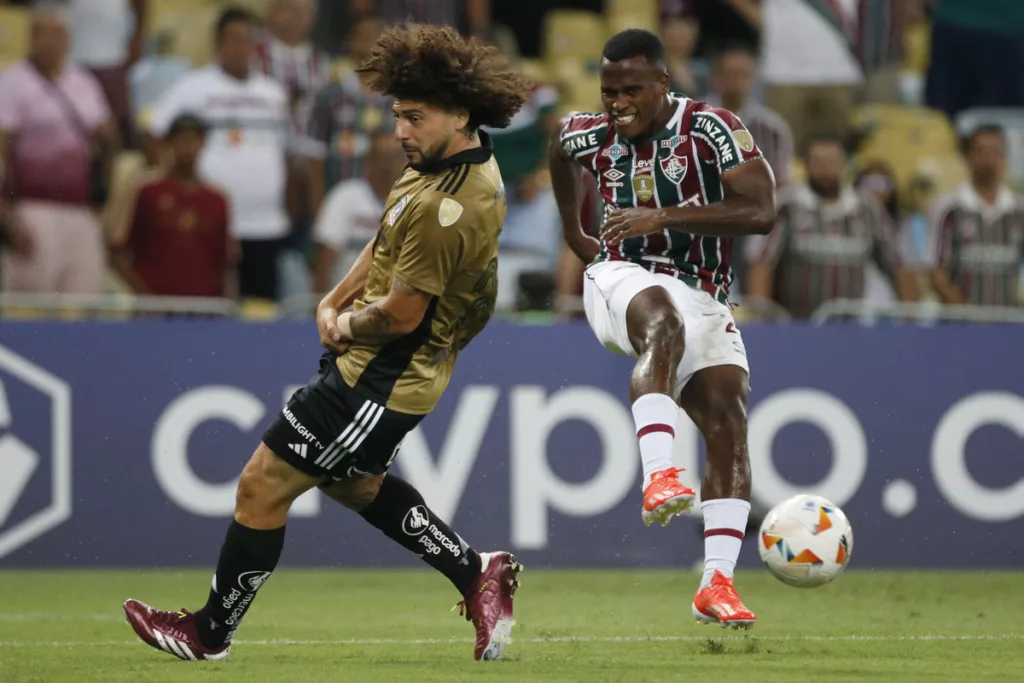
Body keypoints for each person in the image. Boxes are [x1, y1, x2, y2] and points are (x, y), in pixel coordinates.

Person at [123, 24, 531, 662]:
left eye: (414, 117)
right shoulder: (438, 162)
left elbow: (400, 312)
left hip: (382, 376)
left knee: (262, 486)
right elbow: (387, 240)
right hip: (387, 369)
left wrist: (346, 324)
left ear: (459, 114)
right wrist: (334, 297)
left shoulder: (452, 204)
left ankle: (208, 635)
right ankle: (478, 571)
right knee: (356, 486)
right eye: (397, 115)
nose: (400, 130)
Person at [549, 29, 776, 629]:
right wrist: (577, 234)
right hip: (620, 275)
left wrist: (665, 214)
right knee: (662, 322)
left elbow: (760, 210)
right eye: (608, 92)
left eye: (631, 91)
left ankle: (717, 584)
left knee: (728, 415)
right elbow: (559, 150)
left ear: (663, 85)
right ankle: (659, 476)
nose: (617, 104)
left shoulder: (710, 129)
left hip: (704, 288)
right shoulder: (588, 131)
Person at [745, 136, 919, 320]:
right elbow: (761, 263)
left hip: (850, 329)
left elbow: (898, 265)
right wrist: (760, 320)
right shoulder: (786, 206)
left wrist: (911, 322)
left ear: (844, 165)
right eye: (818, 162)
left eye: (831, 162)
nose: (825, 169)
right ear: (806, 166)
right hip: (793, 326)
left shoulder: (867, 209)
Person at [109, 114, 236, 298]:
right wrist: (142, 295)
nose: (188, 147)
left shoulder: (217, 198)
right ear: (170, 143)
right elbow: (117, 249)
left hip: (204, 307)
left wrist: (226, 305)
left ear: (203, 143)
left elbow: (226, 262)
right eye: (182, 140)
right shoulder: (147, 191)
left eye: (194, 140)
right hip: (155, 305)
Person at [928, 124, 1024, 307]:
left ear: (1005, 159)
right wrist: (966, 315)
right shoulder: (949, 209)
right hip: (961, 329)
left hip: (1010, 327)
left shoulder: (1019, 211)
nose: (988, 160)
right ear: (968, 157)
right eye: (981, 152)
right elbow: (936, 273)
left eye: (995, 152)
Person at [311, 130, 407, 294]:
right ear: (369, 163)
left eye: (395, 157)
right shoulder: (344, 196)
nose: (389, 165)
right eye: (383, 158)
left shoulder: (418, 202)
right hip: (347, 308)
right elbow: (324, 264)